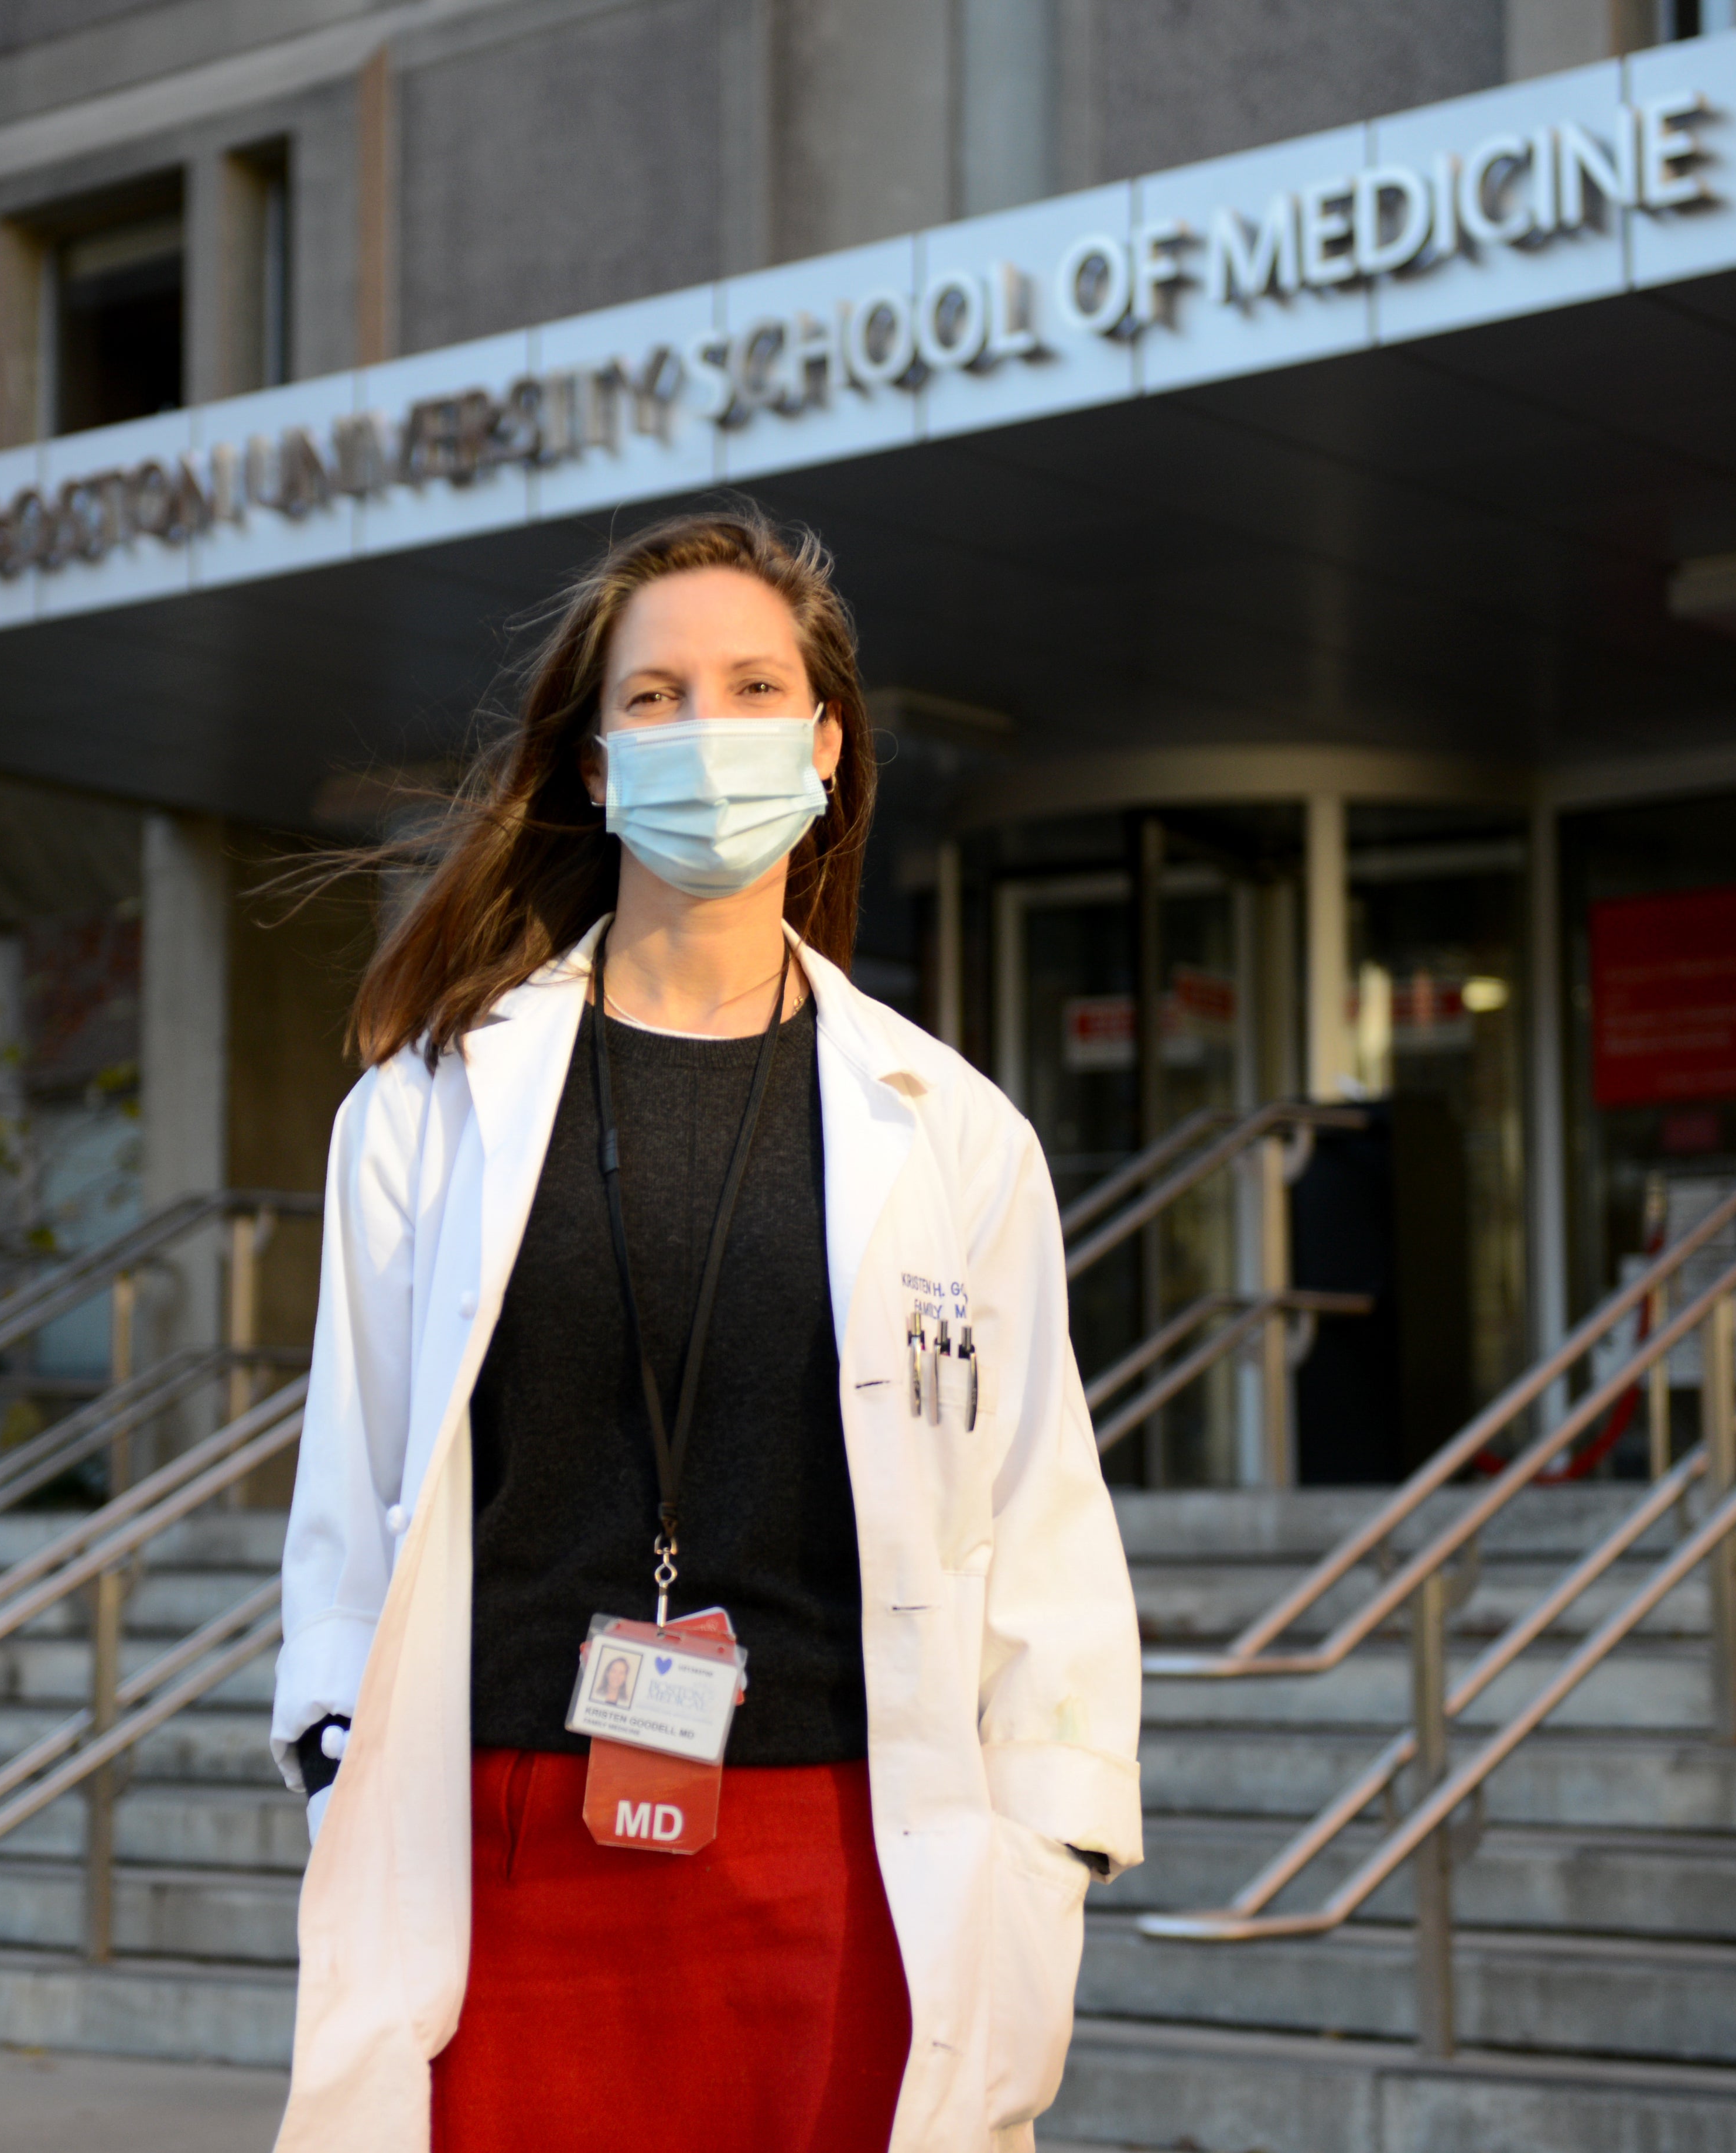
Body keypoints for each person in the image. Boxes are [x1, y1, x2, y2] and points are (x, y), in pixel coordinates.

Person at [269, 506, 1142, 2153]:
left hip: (844, 1874)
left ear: (823, 744)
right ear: (593, 762)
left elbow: (1044, 1535)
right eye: (656, 696)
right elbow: (347, 1509)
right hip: (509, 1855)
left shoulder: (951, 1130)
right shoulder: (428, 1110)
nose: (707, 730)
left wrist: (1041, 1856)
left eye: (753, 687)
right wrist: (338, 1777)